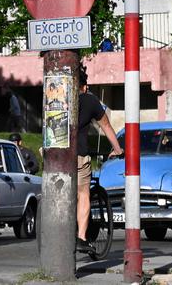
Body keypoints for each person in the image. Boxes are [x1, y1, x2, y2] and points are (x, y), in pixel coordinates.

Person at [75, 67, 123, 252]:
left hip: (54, 155)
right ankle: (81, 237)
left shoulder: (53, 96)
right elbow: (106, 126)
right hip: (78, 155)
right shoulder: (90, 100)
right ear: (84, 86)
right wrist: (117, 149)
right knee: (83, 193)